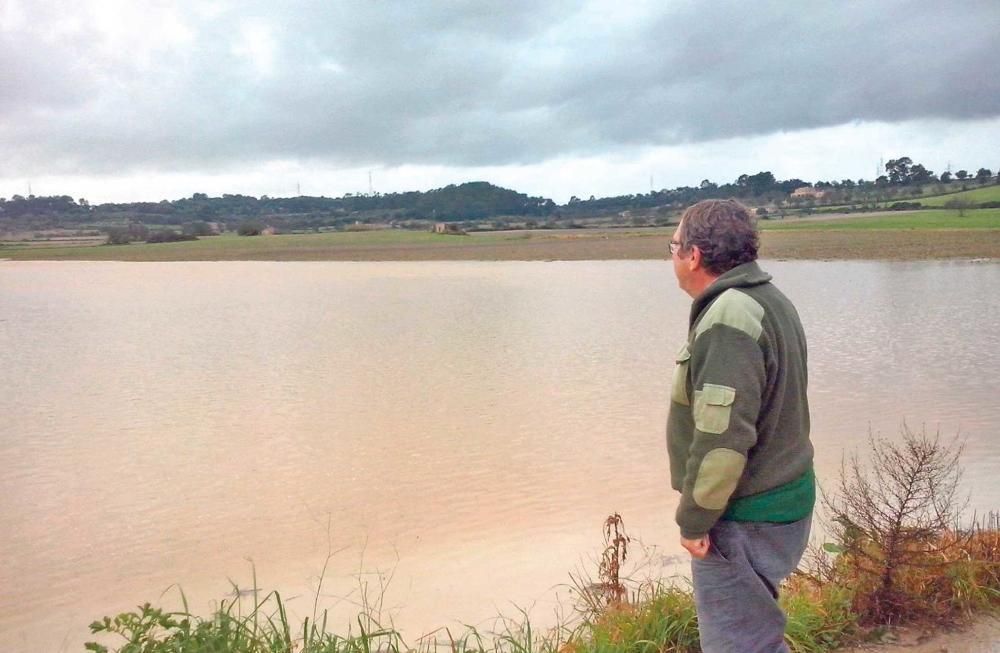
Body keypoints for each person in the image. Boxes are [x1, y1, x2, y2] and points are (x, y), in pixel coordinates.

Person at [666, 199, 814, 653]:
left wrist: (695, 519)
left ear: (693, 255)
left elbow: (723, 440)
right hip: (782, 498)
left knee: (739, 645)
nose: (671, 257)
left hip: (744, 515)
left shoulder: (730, 317)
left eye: (673, 246)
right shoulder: (766, 298)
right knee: (756, 635)